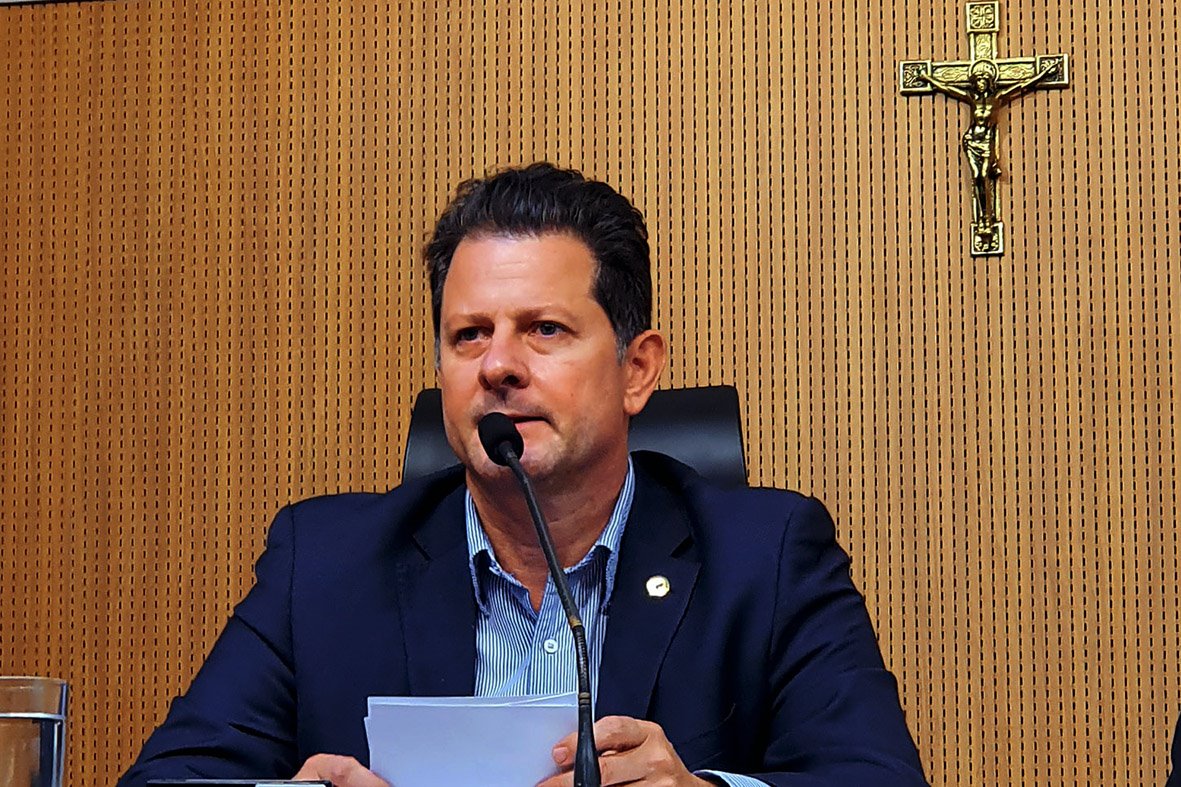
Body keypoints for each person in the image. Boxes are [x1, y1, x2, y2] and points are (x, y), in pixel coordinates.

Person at [118, 163, 928, 786]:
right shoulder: (324, 563)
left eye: (543, 329)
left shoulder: (766, 558)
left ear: (637, 369)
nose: (497, 365)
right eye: (469, 335)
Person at [918, 58, 1058, 236]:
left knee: (983, 176)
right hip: (971, 141)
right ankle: (983, 219)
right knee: (978, 177)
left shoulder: (997, 98)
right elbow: (947, 88)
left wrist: (1043, 74)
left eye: (983, 81)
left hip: (986, 143)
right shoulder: (972, 98)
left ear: (989, 82)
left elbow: (1023, 84)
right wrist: (928, 78)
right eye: (978, 81)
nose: (980, 84)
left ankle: (987, 218)